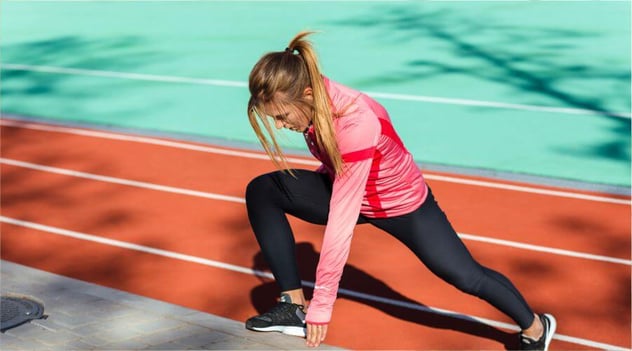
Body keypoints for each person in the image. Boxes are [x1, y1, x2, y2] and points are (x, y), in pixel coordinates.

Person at [243, 31, 556, 350]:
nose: (280, 126)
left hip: (402, 206)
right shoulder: (312, 100)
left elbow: (341, 223)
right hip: (351, 188)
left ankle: (535, 327)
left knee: (466, 277)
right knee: (263, 191)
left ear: (307, 94)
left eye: (281, 117)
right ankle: (293, 307)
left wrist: (323, 306)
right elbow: (333, 160)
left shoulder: (355, 121)